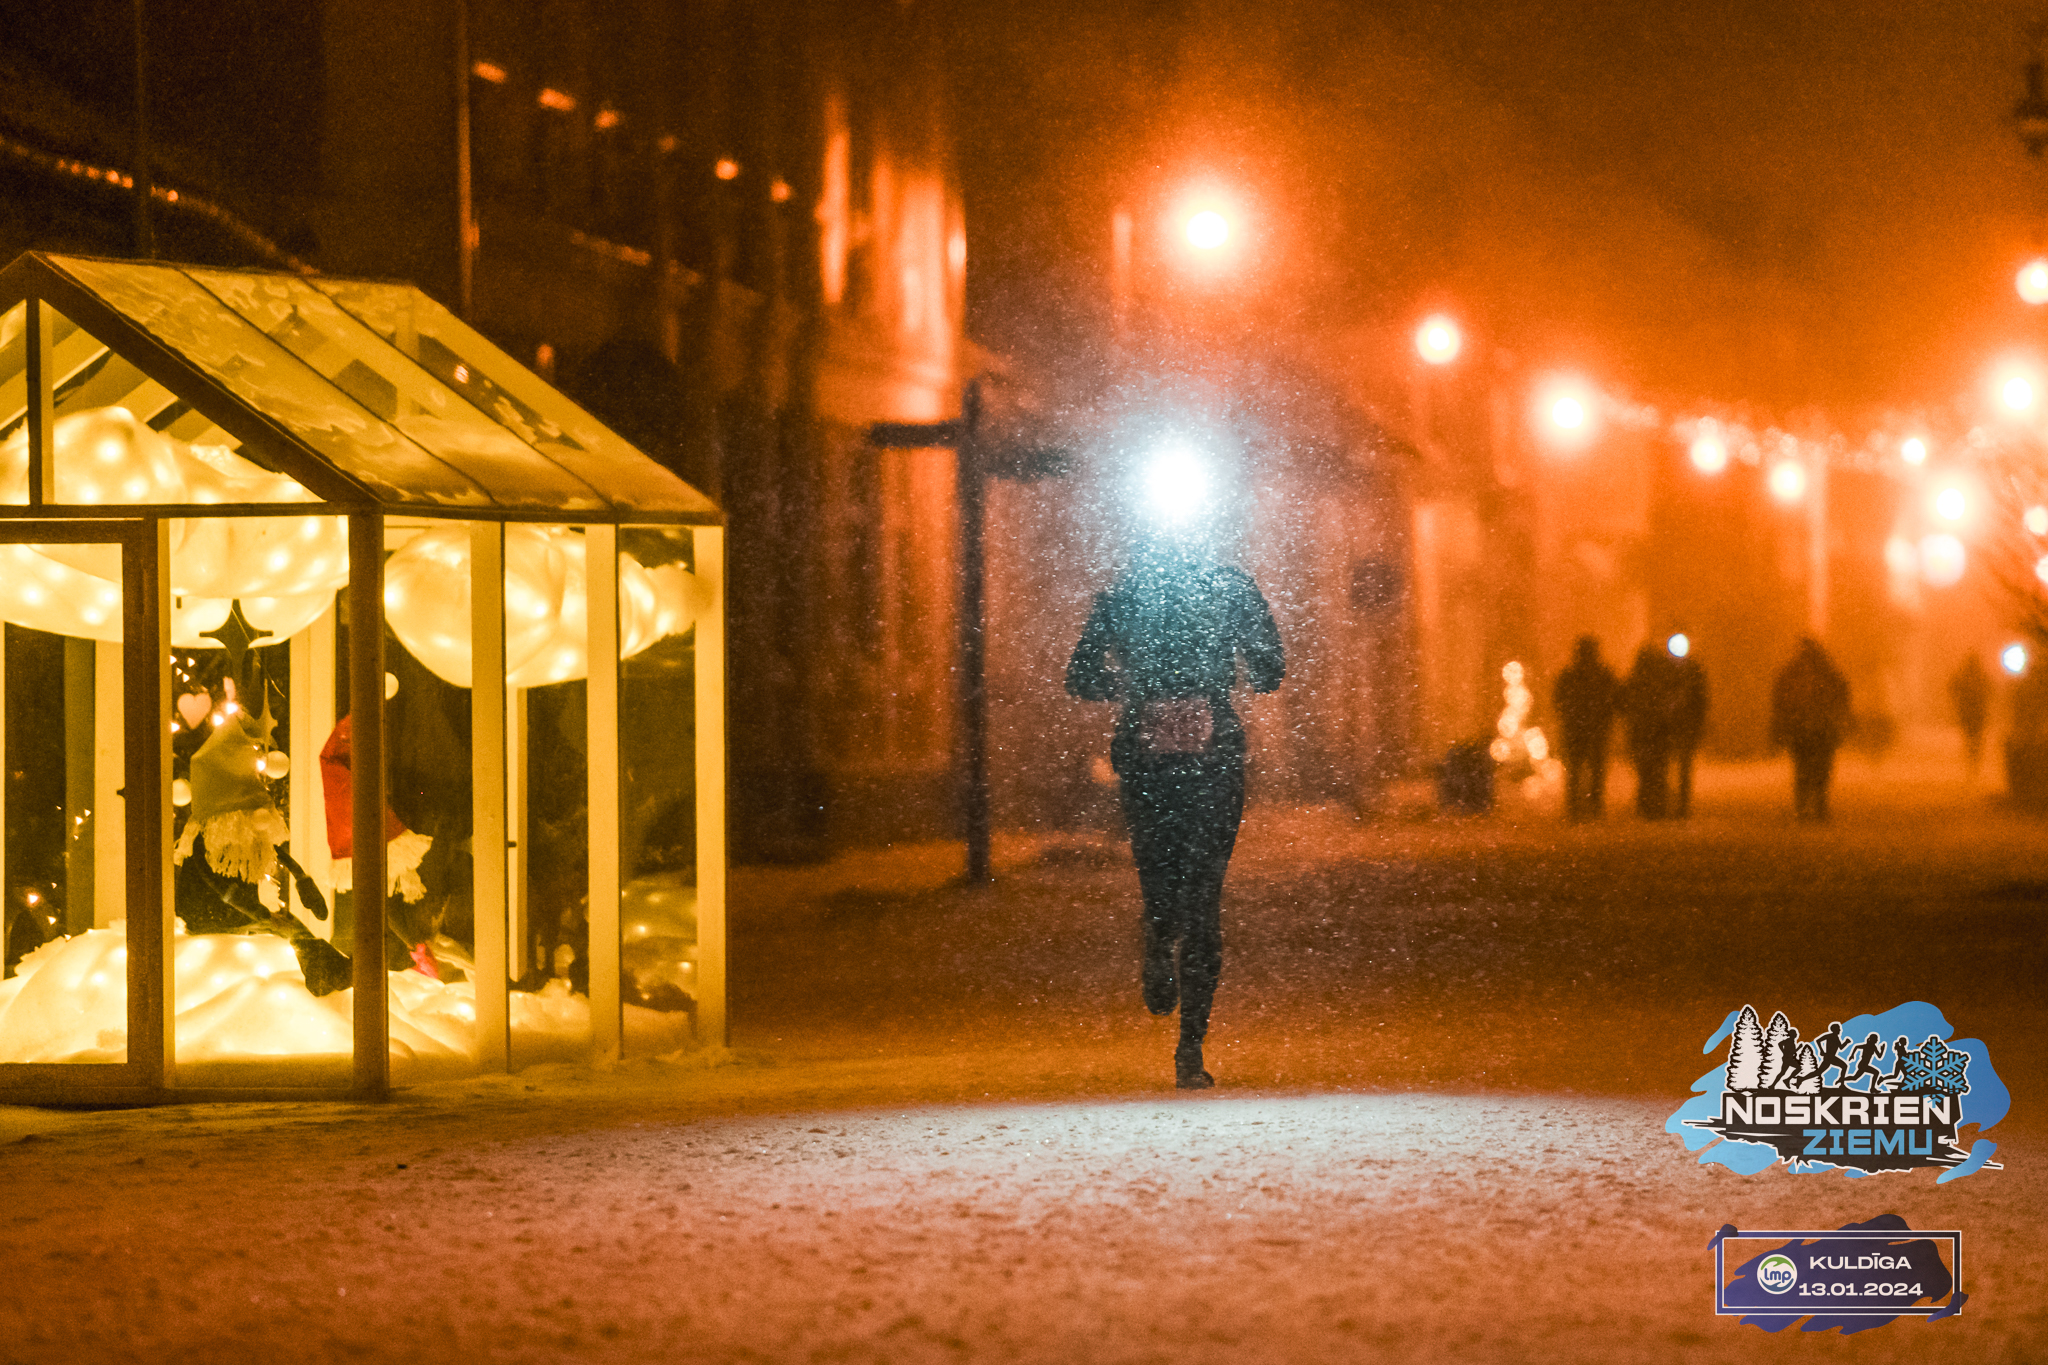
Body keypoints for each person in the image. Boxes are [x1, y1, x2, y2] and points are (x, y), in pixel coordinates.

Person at [1066, 538, 1284, 1090]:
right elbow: (1271, 670)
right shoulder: (1226, 589)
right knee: (1192, 893)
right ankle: (1184, 1026)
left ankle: (1171, 974)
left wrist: (1138, 690)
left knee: (1180, 887)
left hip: (1163, 765)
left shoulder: (1130, 594)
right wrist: (1234, 668)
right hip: (1200, 765)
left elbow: (1082, 676)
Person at [1770, 637, 1852, 821]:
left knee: (1804, 770)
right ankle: (1818, 806)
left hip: (1804, 730)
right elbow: (1842, 699)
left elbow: (1780, 702)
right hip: (1820, 730)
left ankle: (1805, 807)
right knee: (1820, 770)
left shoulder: (1793, 672)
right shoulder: (1827, 672)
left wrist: (1781, 728)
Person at [1552, 637, 1619, 822]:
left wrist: (1571, 714)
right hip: (1596, 728)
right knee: (1595, 768)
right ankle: (1594, 804)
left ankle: (1575, 805)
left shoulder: (1570, 675)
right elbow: (1614, 699)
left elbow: (1558, 699)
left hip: (1576, 728)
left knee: (1576, 768)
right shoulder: (1603, 674)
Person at [1621, 643, 1677, 819]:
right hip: (1657, 732)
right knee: (1657, 770)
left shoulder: (1636, 681)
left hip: (1643, 732)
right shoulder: (1662, 680)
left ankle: (1647, 804)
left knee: (1646, 771)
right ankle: (1656, 805)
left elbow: (1624, 703)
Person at [1669, 643, 1709, 818]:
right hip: (1678, 725)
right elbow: (1702, 700)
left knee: (1682, 766)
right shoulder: (1693, 671)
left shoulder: (1691, 671)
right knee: (1681, 766)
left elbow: (1701, 700)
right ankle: (1678, 802)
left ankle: (1681, 803)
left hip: (1680, 725)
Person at [1949, 652, 1991, 779]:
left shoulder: (1966, 675)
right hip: (1977, 711)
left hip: (1969, 711)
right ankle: (1974, 761)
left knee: (1970, 737)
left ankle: (1972, 760)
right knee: (1976, 738)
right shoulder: (1981, 675)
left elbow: (1952, 687)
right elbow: (1991, 690)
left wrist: (1957, 701)